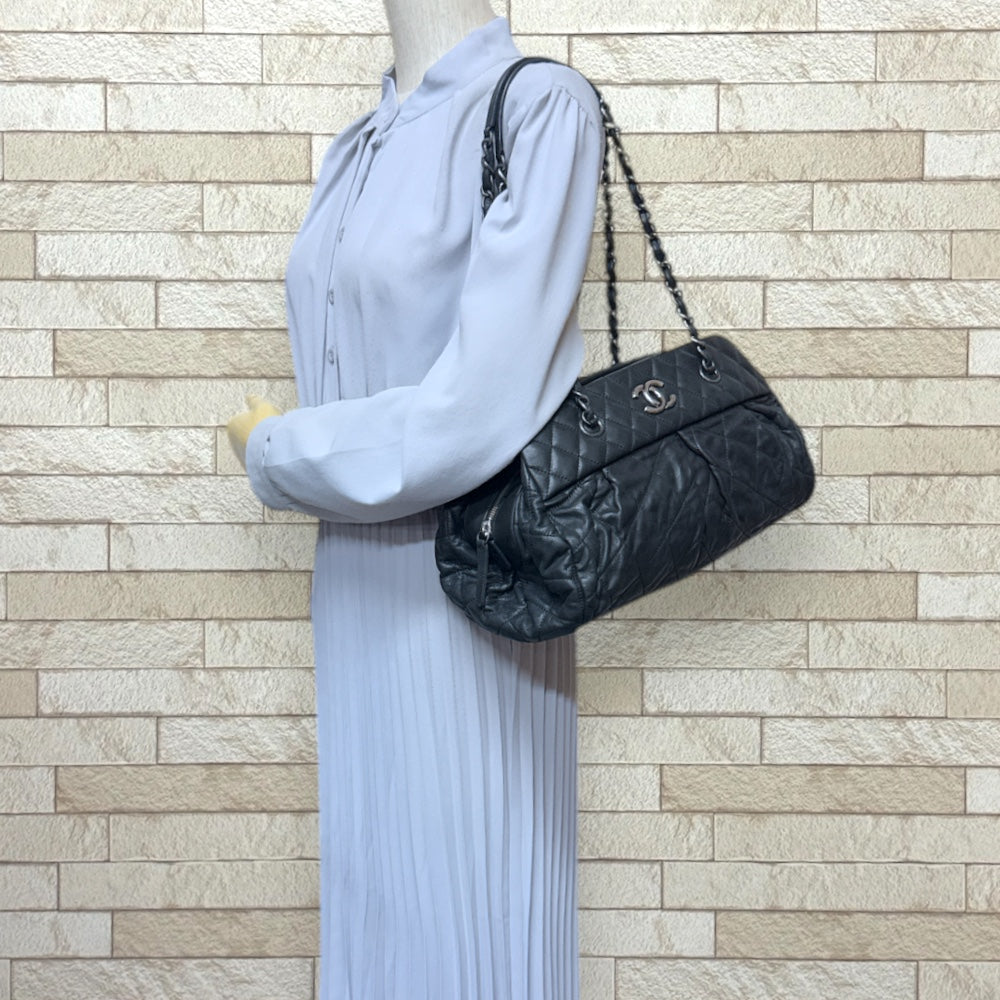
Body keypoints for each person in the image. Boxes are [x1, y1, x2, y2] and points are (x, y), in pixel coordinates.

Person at [225, 3, 605, 996]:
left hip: (474, 589)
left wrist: (278, 447)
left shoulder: (540, 108)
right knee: (379, 909)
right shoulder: (359, 143)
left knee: (468, 914)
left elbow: (473, 412)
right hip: (354, 587)